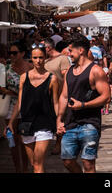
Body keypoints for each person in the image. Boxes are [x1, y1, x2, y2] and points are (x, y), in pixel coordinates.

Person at [57, 34, 111, 173]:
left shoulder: (95, 70)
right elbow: (63, 96)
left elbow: (106, 96)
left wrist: (83, 105)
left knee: (88, 164)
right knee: (67, 161)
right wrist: (59, 119)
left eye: (71, 50)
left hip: (89, 124)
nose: (69, 54)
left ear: (80, 50)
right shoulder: (69, 71)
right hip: (70, 123)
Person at [6, 44, 59, 173]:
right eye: (35, 58)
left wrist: (59, 122)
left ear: (45, 58)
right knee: (34, 164)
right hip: (27, 123)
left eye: (41, 57)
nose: (38, 61)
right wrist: (11, 122)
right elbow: (19, 102)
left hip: (45, 123)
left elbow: (55, 103)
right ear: (31, 58)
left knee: (38, 162)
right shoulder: (24, 77)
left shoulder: (52, 78)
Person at [0, 40, 32, 173]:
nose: (11, 56)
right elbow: (1, 88)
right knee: (12, 140)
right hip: (10, 106)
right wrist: (15, 93)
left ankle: (24, 168)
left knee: (24, 139)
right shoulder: (5, 68)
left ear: (23, 53)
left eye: (14, 53)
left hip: (27, 107)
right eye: (10, 53)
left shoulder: (31, 67)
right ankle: (17, 168)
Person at [43, 37, 71, 155]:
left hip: (59, 94)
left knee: (59, 118)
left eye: (42, 47)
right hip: (45, 96)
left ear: (48, 48)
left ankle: (58, 143)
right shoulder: (45, 61)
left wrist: (65, 93)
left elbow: (66, 77)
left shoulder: (62, 59)